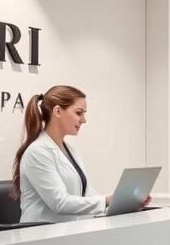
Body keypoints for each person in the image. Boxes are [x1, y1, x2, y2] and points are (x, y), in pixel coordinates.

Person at [11, 85, 110, 223]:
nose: (83, 120)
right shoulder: (37, 152)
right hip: (40, 237)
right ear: (57, 111)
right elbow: (59, 203)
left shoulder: (69, 150)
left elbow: (86, 193)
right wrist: (105, 201)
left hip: (67, 233)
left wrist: (117, 203)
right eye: (79, 113)